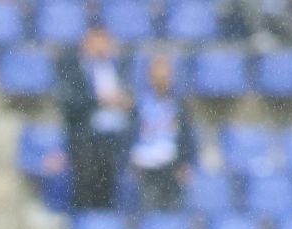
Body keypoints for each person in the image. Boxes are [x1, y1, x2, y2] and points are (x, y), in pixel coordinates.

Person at [56, 25, 130, 211]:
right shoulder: (73, 67)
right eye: (97, 42)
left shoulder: (119, 67)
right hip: (88, 140)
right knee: (88, 191)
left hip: (116, 137)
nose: (102, 47)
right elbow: (69, 103)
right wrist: (99, 100)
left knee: (112, 192)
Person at [129, 53, 196, 213]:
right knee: (149, 213)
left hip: (172, 167)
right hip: (146, 167)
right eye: (157, 75)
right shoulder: (139, 104)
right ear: (150, 76)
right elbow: (130, 136)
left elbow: (187, 136)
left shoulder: (179, 105)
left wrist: (186, 163)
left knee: (174, 214)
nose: (161, 79)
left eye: (165, 75)